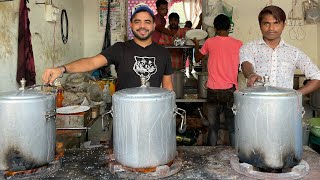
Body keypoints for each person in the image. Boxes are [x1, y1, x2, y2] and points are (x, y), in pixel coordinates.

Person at [42, 3, 173, 91]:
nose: (142, 26)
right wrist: (62, 69)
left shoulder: (163, 53)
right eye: (137, 22)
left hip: (153, 112)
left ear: (154, 26)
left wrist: (170, 111)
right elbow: (91, 62)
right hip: (124, 114)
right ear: (131, 25)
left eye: (147, 22)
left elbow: (167, 86)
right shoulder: (119, 49)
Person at [240, 5, 320, 95]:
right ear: (260, 25)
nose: (271, 28)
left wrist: (295, 95)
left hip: (285, 107)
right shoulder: (249, 48)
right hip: (257, 106)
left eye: (276, 23)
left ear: (284, 25)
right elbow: (246, 64)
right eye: (266, 23)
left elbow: (317, 77)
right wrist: (251, 75)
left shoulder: (294, 53)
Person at [193, 14, 243, 146]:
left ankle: (211, 157)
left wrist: (196, 45)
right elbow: (242, 65)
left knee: (213, 128)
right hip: (230, 90)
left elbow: (197, 58)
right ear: (229, 27)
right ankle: (235, 155)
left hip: (213, 90)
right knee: (232, 128)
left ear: (215, 28)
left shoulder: (210, 42)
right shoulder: (238, 44)